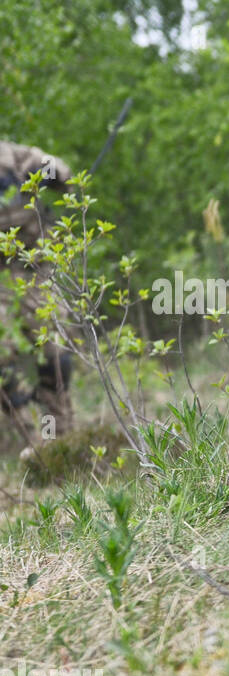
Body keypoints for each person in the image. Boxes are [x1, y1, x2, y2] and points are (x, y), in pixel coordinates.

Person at [0, 140, 75, 448]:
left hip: (33, 267)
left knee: (55, 355)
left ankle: (54, 438)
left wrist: (45, 173)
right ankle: (30, 440)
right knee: (2, 360)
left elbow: (61, 171)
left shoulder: (16, 158)